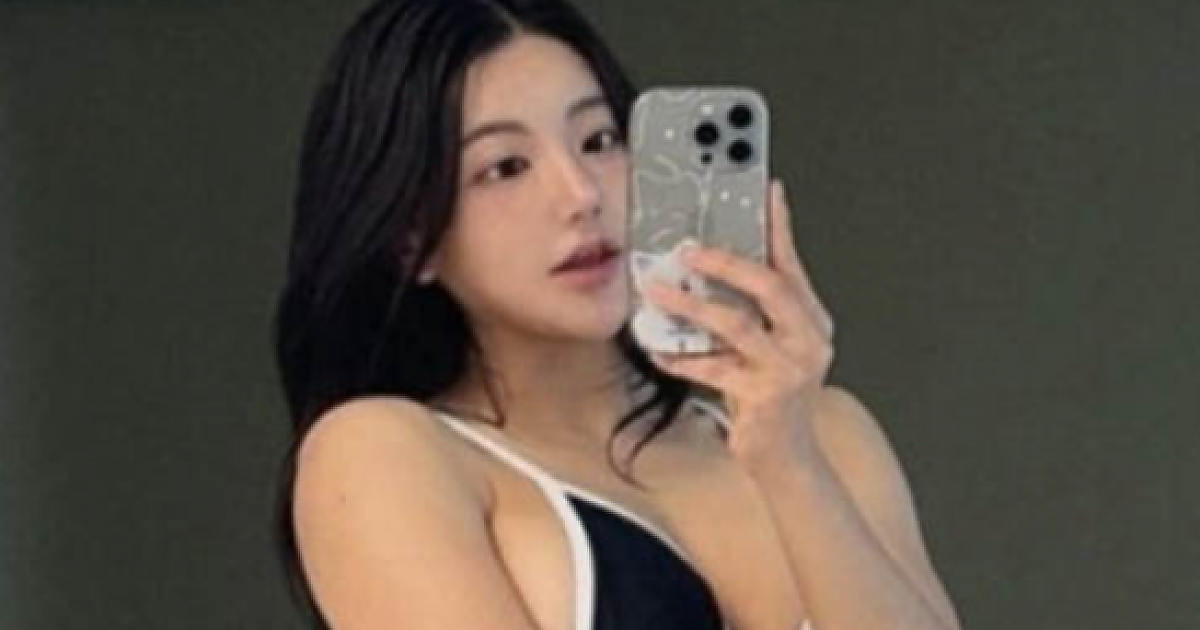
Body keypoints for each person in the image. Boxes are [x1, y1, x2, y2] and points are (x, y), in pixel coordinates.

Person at [272, 0, 963, 629]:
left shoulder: (825, 435)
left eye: (599, 140)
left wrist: (791, 466)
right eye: (506, 167)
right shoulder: (382, 456)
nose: (580, 194)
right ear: (411, 241)